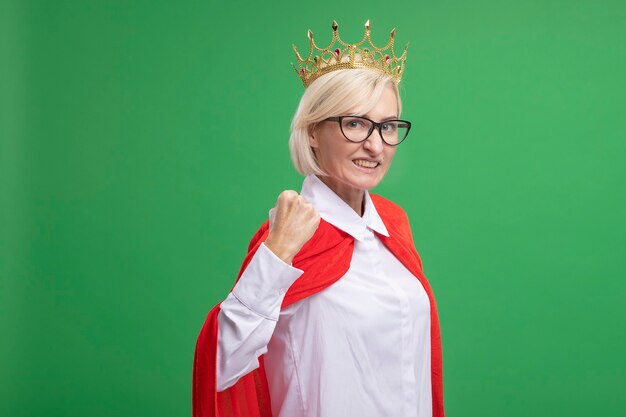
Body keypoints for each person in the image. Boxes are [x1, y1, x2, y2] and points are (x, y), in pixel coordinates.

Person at [192, 20, 445, 417]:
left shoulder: (393, 225)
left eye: (388, 126)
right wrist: (276, 254)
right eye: (356, 123)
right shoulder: (289, 235)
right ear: (313, 130)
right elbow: (223, 362)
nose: (375, 145)